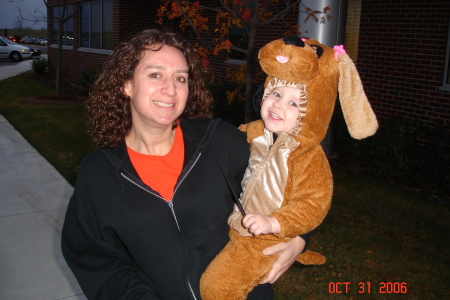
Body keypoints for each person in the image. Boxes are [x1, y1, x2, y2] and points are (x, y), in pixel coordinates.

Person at [61, 29, 310, 300]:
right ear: (127, 84)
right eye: (155, 75)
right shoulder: (98, 173)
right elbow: (93, 256)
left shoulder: (219, 143)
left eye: (180, 78)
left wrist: (299, 238)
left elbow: (295, 182)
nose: (170, 89)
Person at [200, 36, 334, 300]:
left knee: (217, 288)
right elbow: (223, 143)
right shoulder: (255, 132)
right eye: (276, 93)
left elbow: (313, 204)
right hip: (236, 227)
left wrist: (273, 222)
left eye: (294, 103)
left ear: (311, 111)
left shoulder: (306, 155)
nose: (278, 104)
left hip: (265, 241)